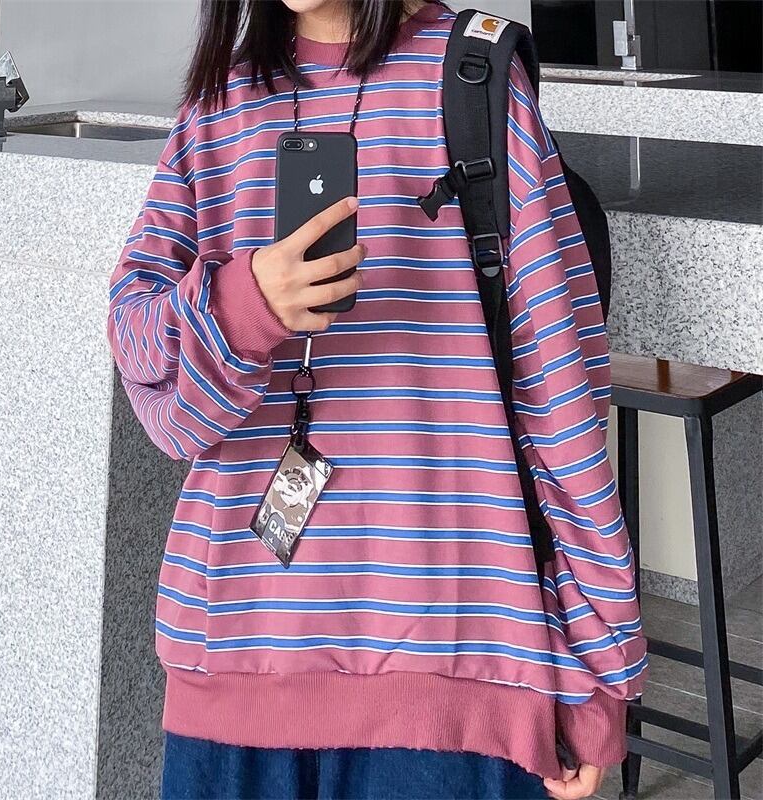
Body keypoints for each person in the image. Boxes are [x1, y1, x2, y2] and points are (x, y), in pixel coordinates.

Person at [106, 1, 648, 798]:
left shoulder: (475, 77)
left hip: (455, 671)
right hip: (237, 662)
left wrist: (599, 673)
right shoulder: (219, 105)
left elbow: (560, 396)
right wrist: (244, 306)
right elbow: (150, 379)